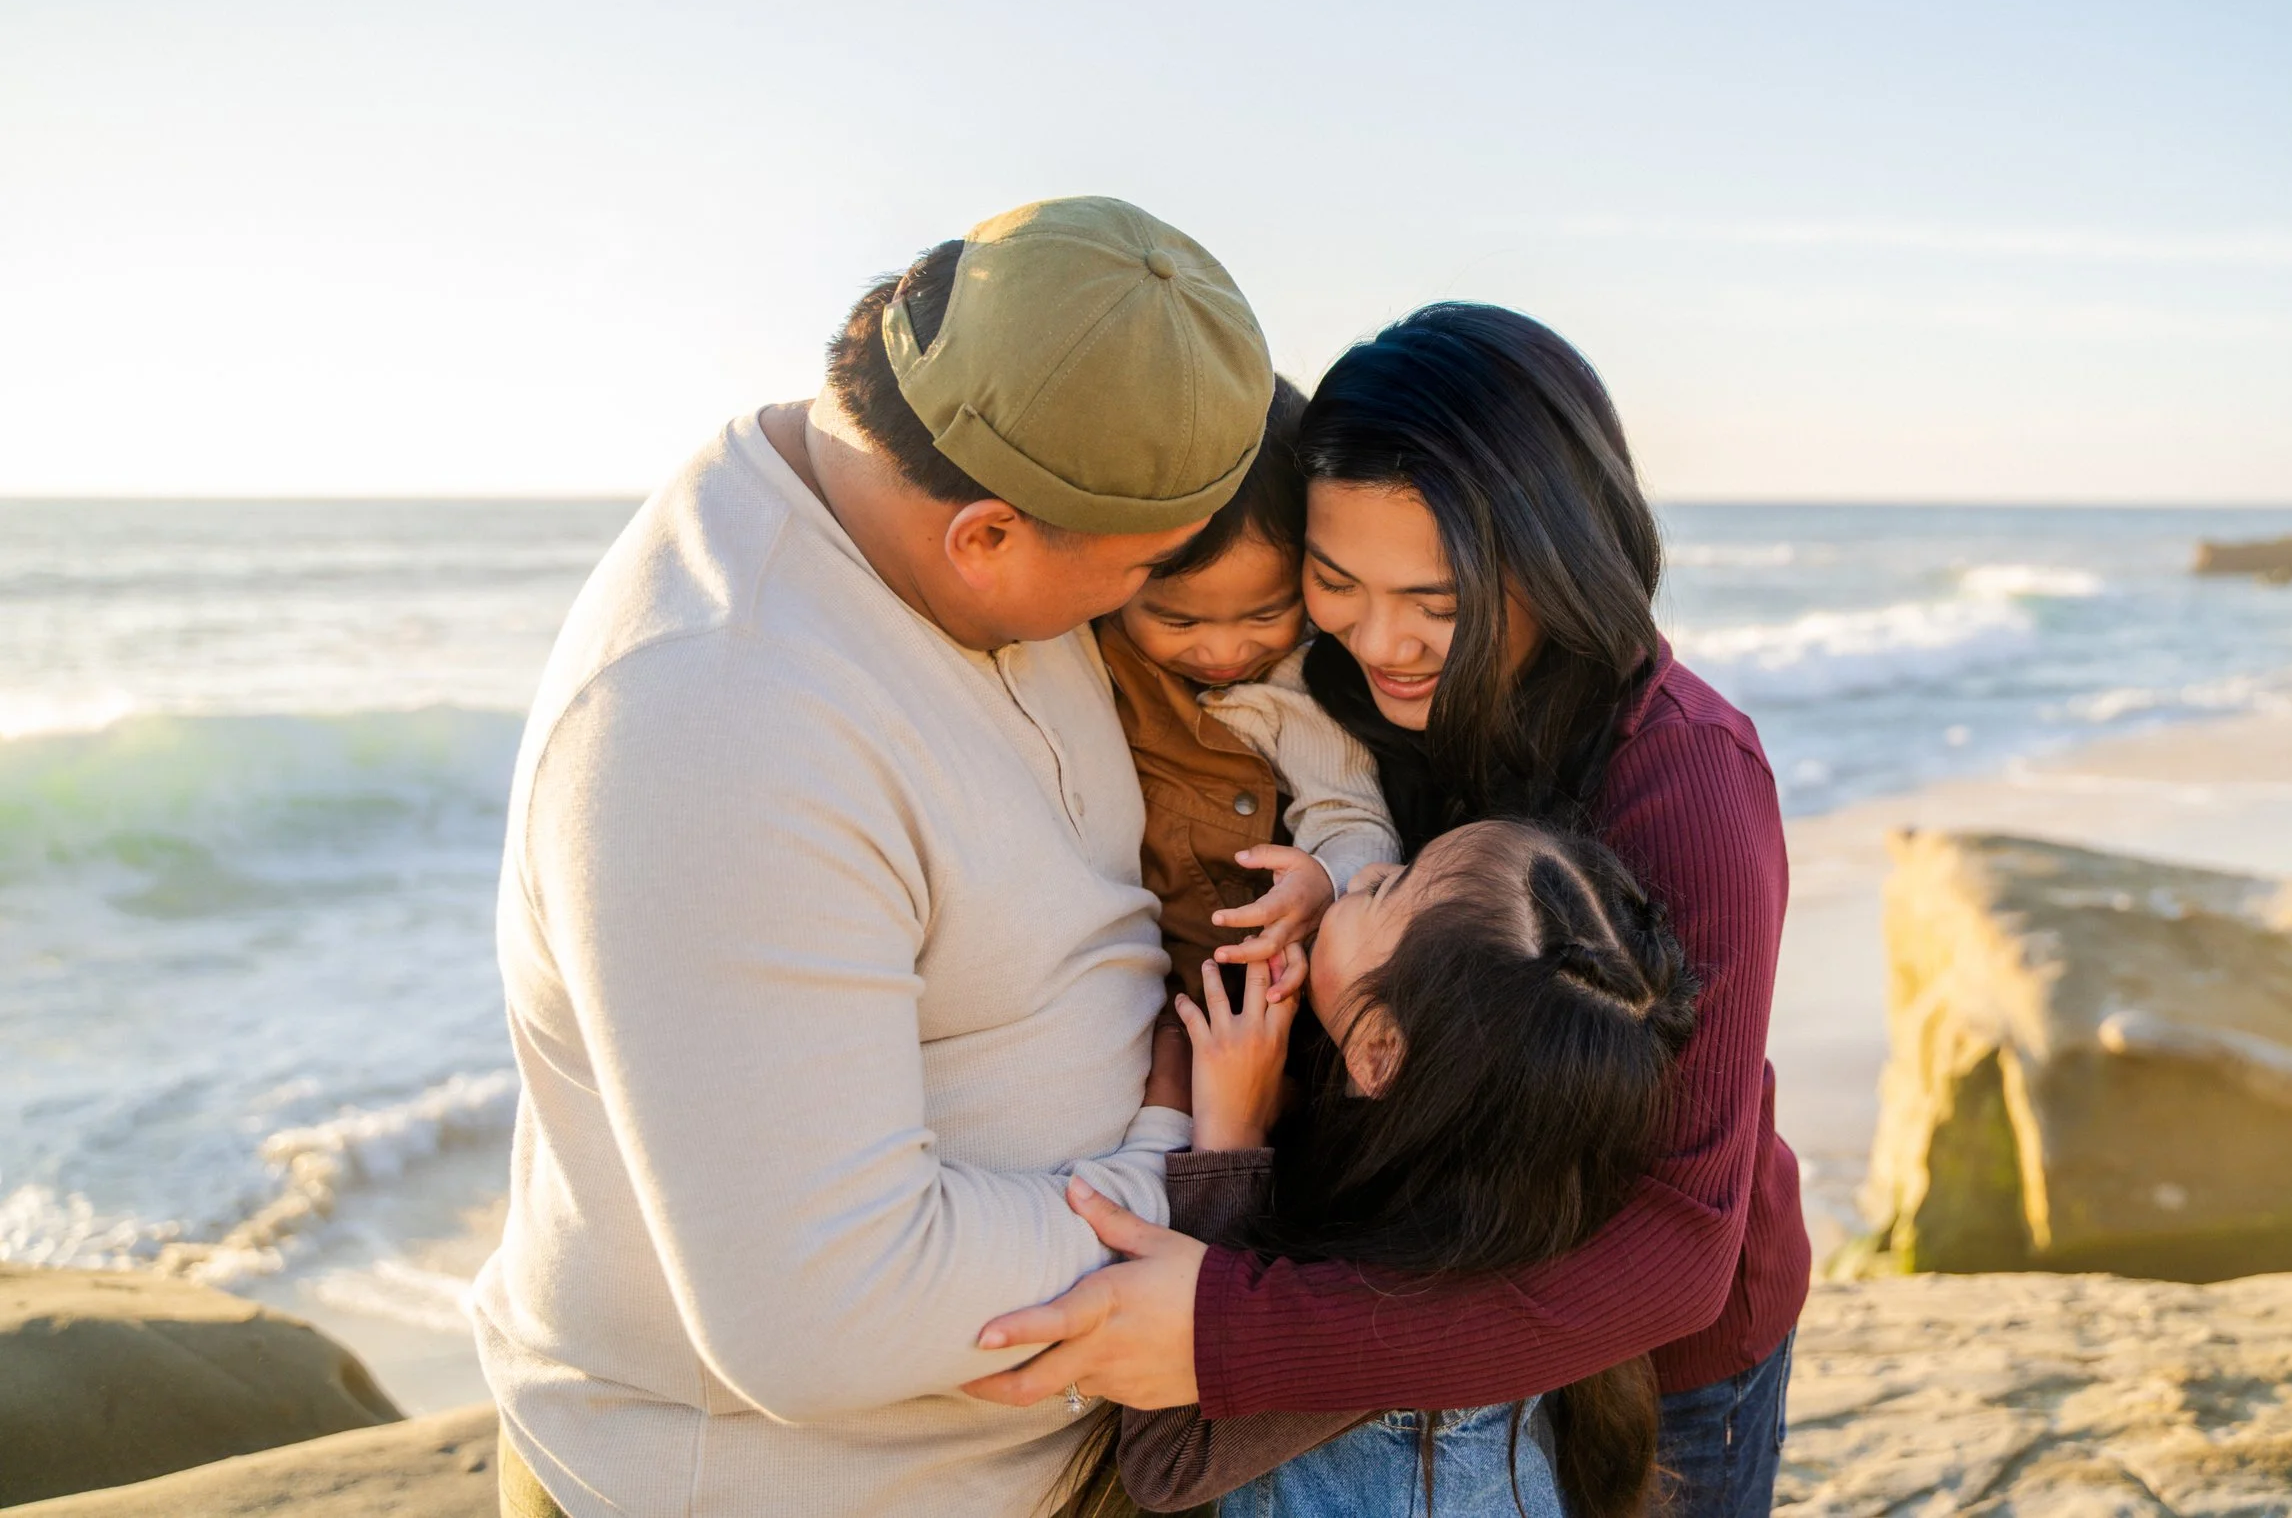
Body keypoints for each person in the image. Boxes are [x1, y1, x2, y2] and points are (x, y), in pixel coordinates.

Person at [470, 196, 1272, 1518]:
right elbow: (829, 1308)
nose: (1146, 610)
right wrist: (1187, 1171)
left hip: (1065, 1443)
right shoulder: (720, 715)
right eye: (1138, 572)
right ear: (988, 535)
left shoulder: (955, 528)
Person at [966, 302, 1808, 1518]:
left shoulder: (1682, 778)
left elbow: (1676, 1247)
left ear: (1561, 555)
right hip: (1391, 1283)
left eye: (1441, 599)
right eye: (1333, 580)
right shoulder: (1333, 688)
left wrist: (1234, 1335)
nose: (1381, 638)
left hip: (1643, 1365)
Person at [1084, 818, 1700, 1518]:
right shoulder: (1488, 1183)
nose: (1365, 872)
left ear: (1380, 1051)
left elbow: (1167, 1461)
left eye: (1389, 887)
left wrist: (1226, 1137)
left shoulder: (1389, 1316)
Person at [1096, 375, 1398, 999]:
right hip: (1129, 975)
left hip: (1245, 993)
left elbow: (1349, 814)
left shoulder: (1300, 687)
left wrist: (1323, 879)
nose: (1226, 651)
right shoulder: (1088, 646)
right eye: (1178, 621)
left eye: (1267, 615)